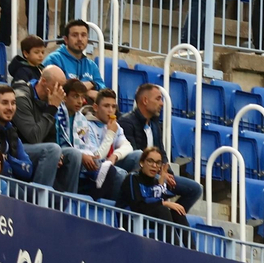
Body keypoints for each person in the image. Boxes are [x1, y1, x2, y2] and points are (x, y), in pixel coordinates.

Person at [114, 83, 203, 212]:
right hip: (140, 176)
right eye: (158, 99)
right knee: (140, 156)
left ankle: (173, 217)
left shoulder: (155, 124)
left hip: (158, 173)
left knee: (195, 189)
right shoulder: (126, 122)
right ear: (145, 100)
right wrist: (160, 173)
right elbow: (135, 157)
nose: (161, 103)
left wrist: (167, 172)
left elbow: (162, 153)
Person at [12, 65, 83, 192]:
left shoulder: (50, 101)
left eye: (62, 86)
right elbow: (33, 137)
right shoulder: (22, 97)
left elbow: (51, 135)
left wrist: (59, 155)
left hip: (40, 148)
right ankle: (39, 200)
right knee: (53, 150)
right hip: (19, 147)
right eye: (58, 85)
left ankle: (67, 204)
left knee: (74, 154)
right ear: (44, 81)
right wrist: (52, 108)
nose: (61, 91)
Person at [70, 86, 132, 200]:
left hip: (110, 164)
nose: (110, 110)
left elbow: (128, 146)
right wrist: (110, 134)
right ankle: (114, 209)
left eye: (113, 107)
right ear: (96, 107)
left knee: (137, 156)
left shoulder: (115, 125)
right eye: (106, 106)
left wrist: (114, 156)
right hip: (92, 168)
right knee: (120, 174)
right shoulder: (85, 124)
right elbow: (96, 157)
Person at [121, 147, 190, 233]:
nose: (154, 166)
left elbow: (155, 204)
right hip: (130, 220)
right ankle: (172, 245)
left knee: (177, 212)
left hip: (146, 219)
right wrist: (163, 203)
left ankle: (191, 247)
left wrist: (161, 184)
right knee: (163, 210)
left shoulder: (155, 182)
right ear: (142, 163)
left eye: (158, 163)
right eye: (150, 161)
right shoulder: (132, 178)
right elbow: (137, 206)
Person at [0, 83, 35, 182]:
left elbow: (28, 170)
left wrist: (8, 159)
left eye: (13, 103)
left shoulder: (11, 131)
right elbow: (1, 168)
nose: (10, 108)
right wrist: (15, 165)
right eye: (4, 103)